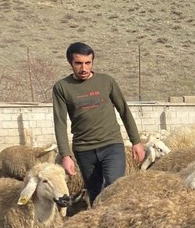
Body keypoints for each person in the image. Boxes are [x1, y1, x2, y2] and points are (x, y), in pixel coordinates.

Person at [53, 42, 145, 203]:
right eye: (78, 63)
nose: (84, 68)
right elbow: (60, 122)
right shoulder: (62, 87)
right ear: (70, 63)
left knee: (114, 187)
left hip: (111, 145)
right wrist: (65, 155)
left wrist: (136, 141)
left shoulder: (106, 82)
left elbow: (124, 110)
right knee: (95, 194)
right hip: (84, 150)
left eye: (88, 63)